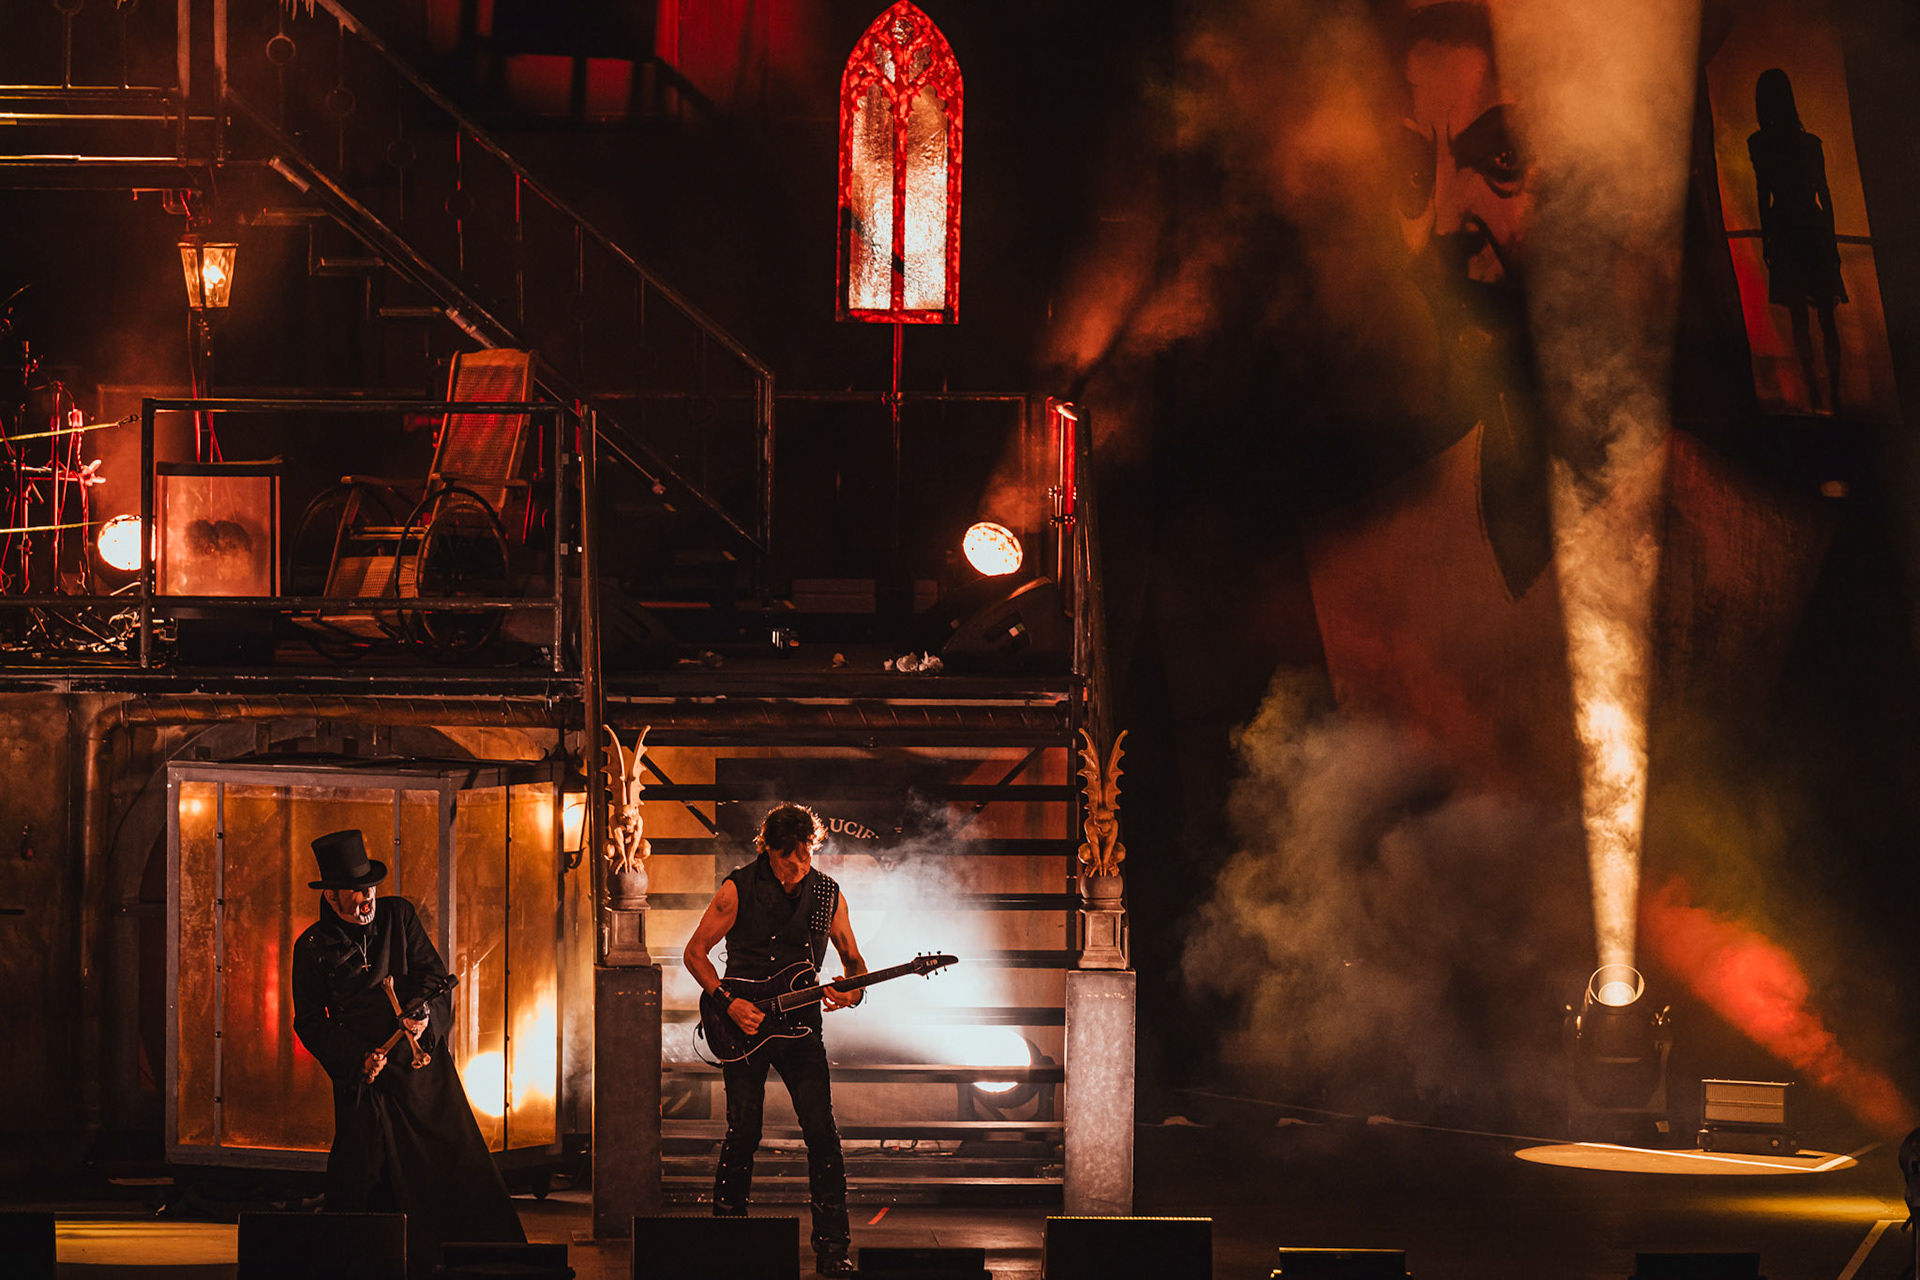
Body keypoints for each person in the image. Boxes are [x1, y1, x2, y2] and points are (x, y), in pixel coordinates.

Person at [291, 829, 524, 1277]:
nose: (367, 898)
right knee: (363, 1173)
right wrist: (357, 1056)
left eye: (371, 888)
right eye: (356, 891)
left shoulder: (399, 916)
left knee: (450, 1163)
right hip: (366, 1077)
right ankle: (367, 1263)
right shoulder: (312, 947)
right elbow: (310, 1022)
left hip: (419, 1071)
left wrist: (421, 1016)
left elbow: (433, 978)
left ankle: (476, 1257)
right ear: (333, 896)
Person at [683, 803, 868, 1277]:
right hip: (742, 1026)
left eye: (806, 856)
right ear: (767, 848)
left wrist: (854, 991)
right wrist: (727, 1002)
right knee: (743, 1132)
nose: (799, 867)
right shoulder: (737, 887)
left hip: (803, 1027)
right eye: (789, 858)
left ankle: (833, 1250)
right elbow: (695, 954)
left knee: (822, 1134)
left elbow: (854, 962)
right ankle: (728, 1239)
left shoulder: (827, 893)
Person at [1747, 67, 1847, 415]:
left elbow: (1764, 196)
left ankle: (1817, 398)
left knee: (1799, 321)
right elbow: (1824, 194)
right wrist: (1830, 241)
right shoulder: (1810, 144)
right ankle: (1834, 397)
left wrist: (1768, 239)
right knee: (1826, 319)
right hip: (1812, 228)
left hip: (1786, 231)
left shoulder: (1759, 145)